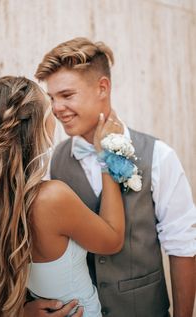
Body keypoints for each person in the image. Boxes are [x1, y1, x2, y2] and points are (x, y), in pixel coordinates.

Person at [24, 37, 196, 317]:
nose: (56, 108)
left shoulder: (159, 155)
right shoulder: (57, 159)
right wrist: (24, 305)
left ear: (102, 88)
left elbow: (183, 247)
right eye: (52, 98)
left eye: (66, 95)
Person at [0, 76, 126, 317]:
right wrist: (107, 155)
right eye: (48, 107)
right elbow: (113, 240)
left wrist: (22, 312)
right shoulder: (51, 197)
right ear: (36, 127)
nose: (56, 112)